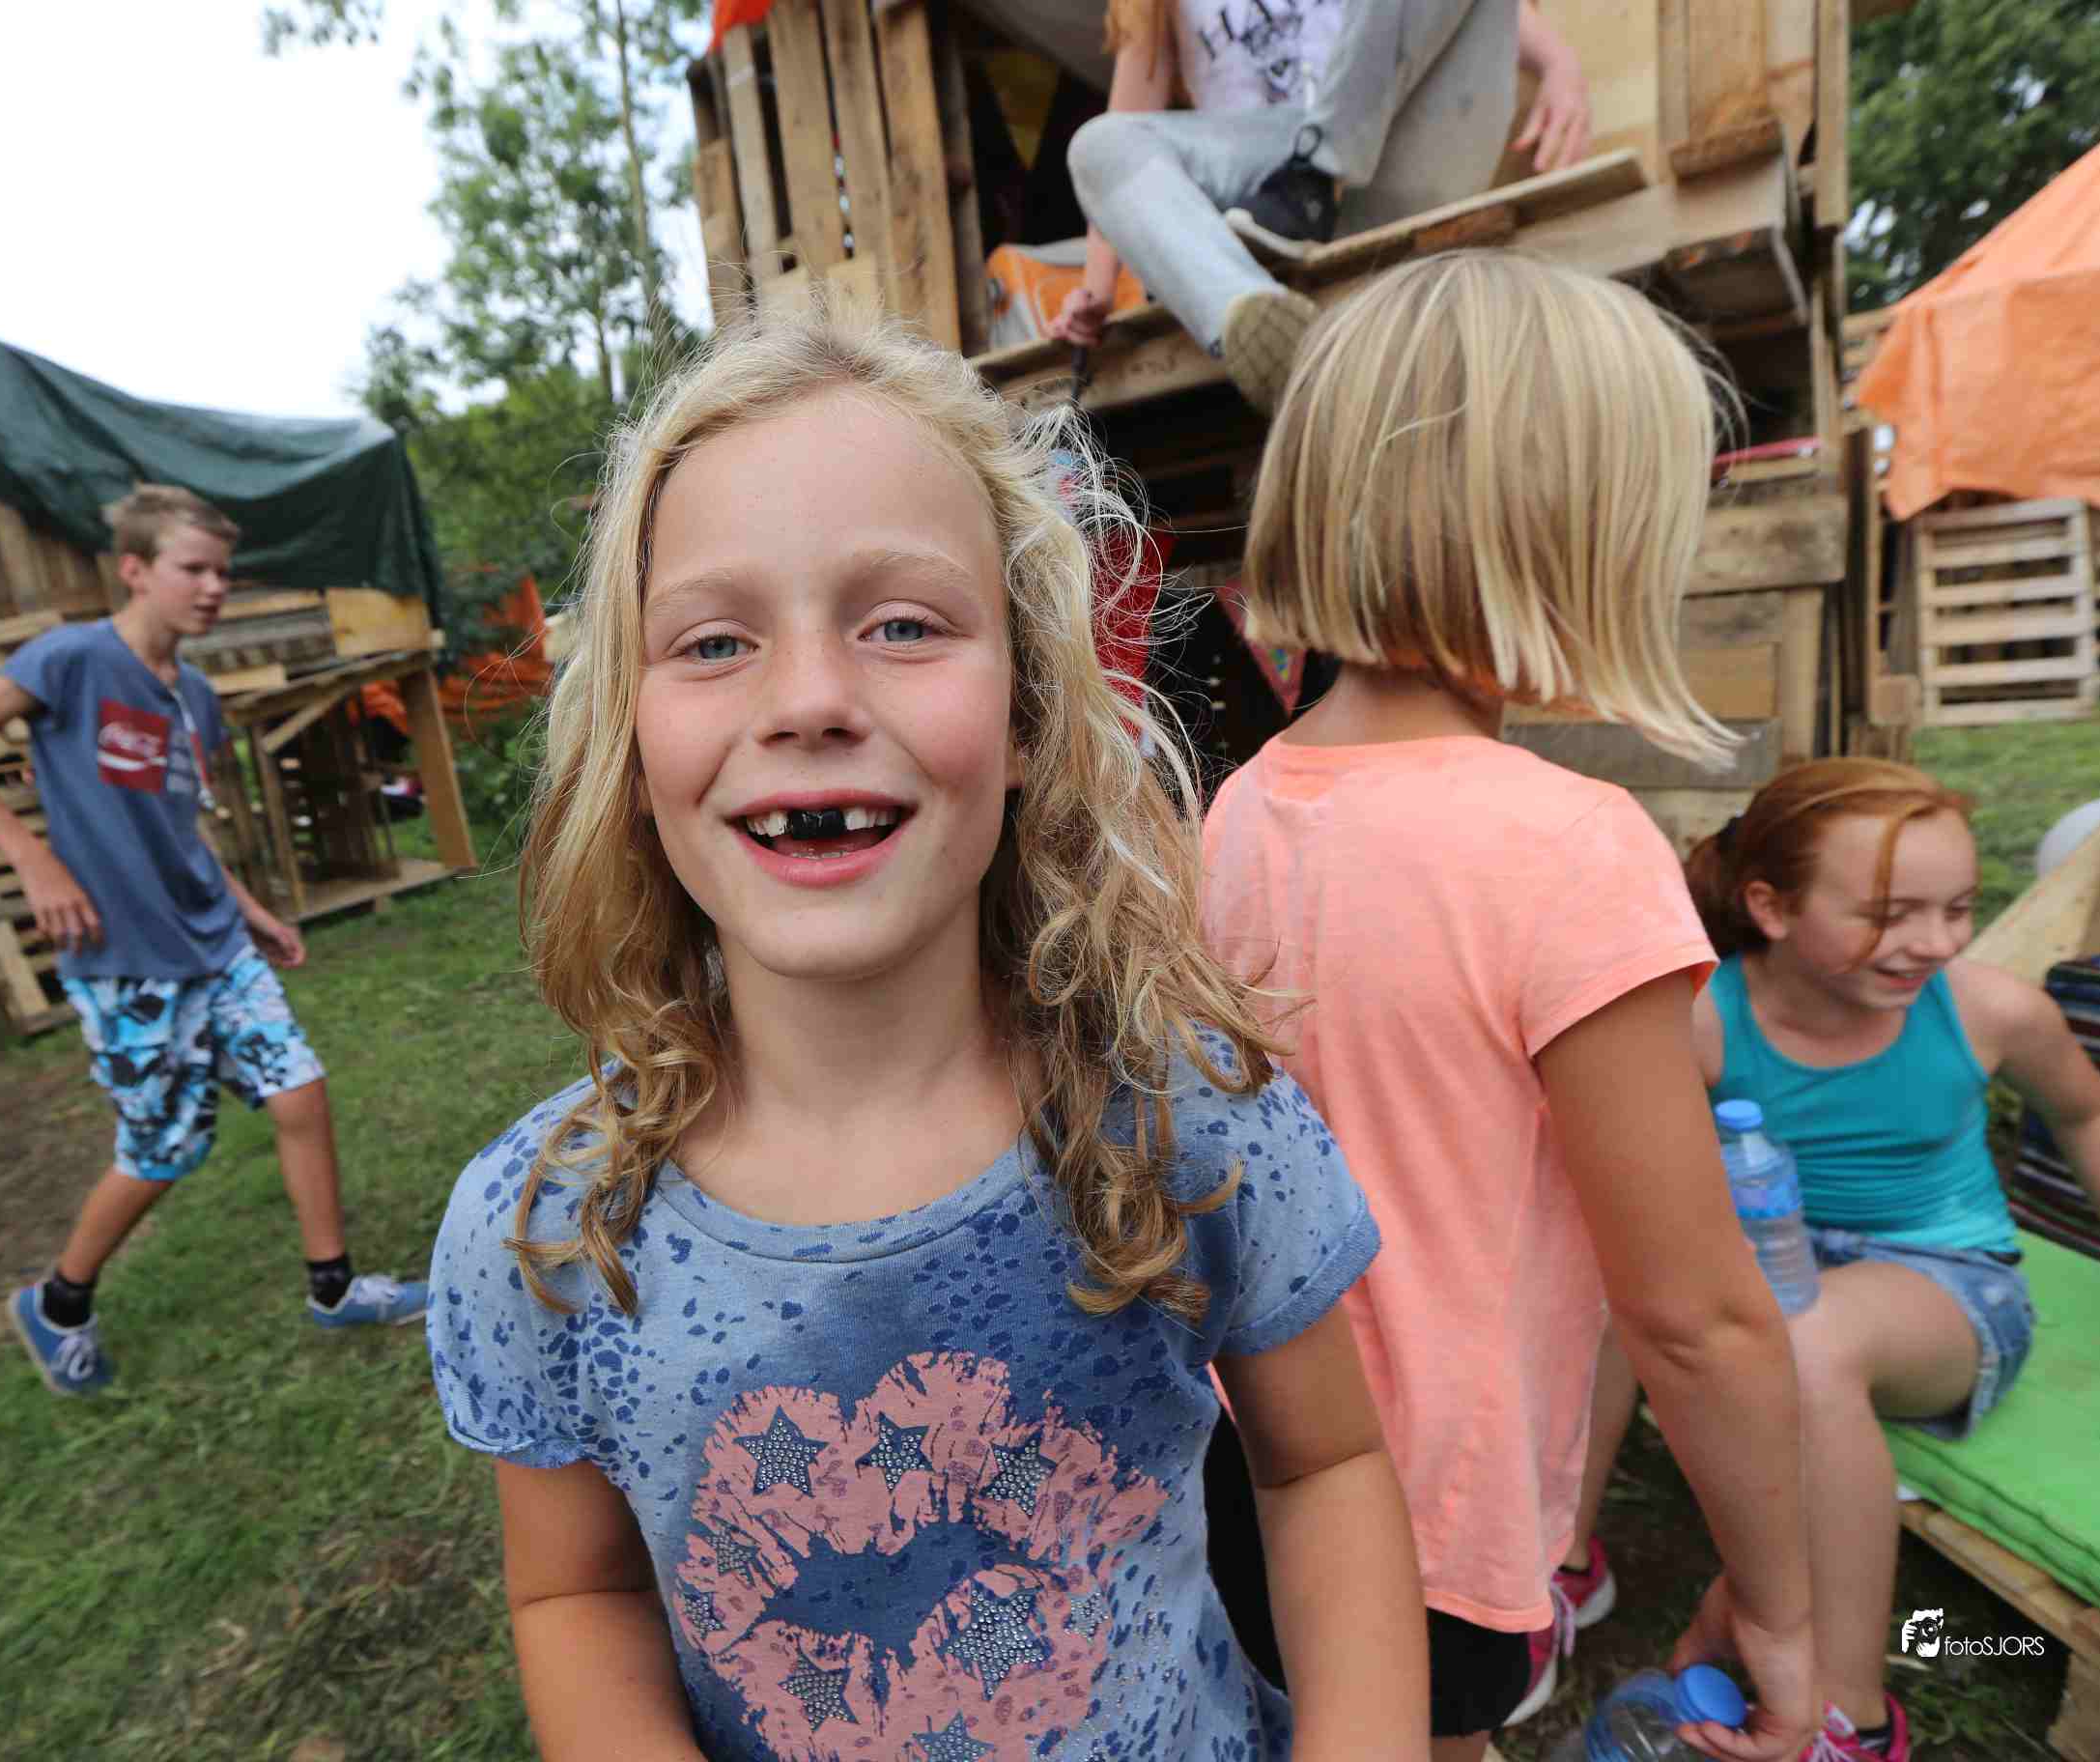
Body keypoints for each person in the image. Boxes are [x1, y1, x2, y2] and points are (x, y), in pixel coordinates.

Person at [426, 312, 1431, 1759]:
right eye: (715, 642)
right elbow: (576, 1593)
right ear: (633, 749)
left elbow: (1324, 1467)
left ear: (1028, 713)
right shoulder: (546, 1231)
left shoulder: (1189, 1119)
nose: (810, 701)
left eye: (902, 624)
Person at [1200, 253, 1816, 1762]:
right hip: (1434, 1518)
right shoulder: (1570, 848)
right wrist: (1786, 1608)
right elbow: (1696, 1319)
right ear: (1575, 537)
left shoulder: (1241, 809)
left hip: (1240, 1456)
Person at [1563, 758, 2100, 1761]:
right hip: (1771, 1266)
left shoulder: (1988, 1010)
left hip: (1943, 1287)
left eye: (1958, 908)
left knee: (1812, 1340)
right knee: (1613, 1278)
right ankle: (1561, 1562)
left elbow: (2095, 1118)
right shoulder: (1705, 1018)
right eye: (1889, 914)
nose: (1937, 941)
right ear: (1772, 907)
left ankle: (1853, 1719)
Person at [0, 484, 428, 1398]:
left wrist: (249, 907)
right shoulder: (72, 660)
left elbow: (180, 828)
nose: (214, 587)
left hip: (214, 943)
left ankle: (334, 1288)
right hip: (126, 959)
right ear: (135, 570)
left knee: (299, 1091)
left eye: (223, 572)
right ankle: (59, 1302)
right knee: (162, 1151)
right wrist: (32, 859)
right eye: (194, 569)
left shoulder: (196, 698)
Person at [1055, 0, 1589, 412]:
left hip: (1389, 155)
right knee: (1097, 144)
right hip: (1263, 202)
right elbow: (1125, 130)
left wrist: (1560, 65)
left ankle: (1316, 176)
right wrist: (1097, 288)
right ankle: (1254, 321)